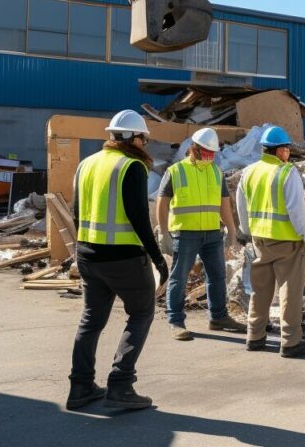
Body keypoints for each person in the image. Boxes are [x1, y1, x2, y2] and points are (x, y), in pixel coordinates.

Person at [67, 110, 167, 411]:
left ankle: (80, 387)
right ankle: (121, 384)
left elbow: (76, 212)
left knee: (91, 320)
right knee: (141, 313)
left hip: (88, 254)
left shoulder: (87, 163)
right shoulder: (131, 166)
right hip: (124, 258)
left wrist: (80, 249)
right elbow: (139, 219)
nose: (145, 143)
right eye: (143, 138)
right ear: (134, 138)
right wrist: (158, 258)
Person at [157, 127, 247, 341]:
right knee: (179, 277)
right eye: (206, 152)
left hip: (211, 233)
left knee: (217, 276)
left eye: (213, 153)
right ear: (194, 149)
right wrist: (164, 233)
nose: (210, 156)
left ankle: (218, 317)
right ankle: (176, 320)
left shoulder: (215, 172)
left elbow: (224, 203)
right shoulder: (176, 171)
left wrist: (231, 230)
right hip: (185, 233)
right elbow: (162, 204)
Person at [236, 126, 305, 357]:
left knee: (260, 289)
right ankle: (291, 341)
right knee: (289, 290)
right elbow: (296, 209)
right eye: (287, 149)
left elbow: (241, 204)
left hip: (259, 239)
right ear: (280, 150)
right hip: (286, 240)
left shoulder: (249, 171)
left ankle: (255, 335)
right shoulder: (286, 173)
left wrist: (246, 230)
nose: (288, 153)